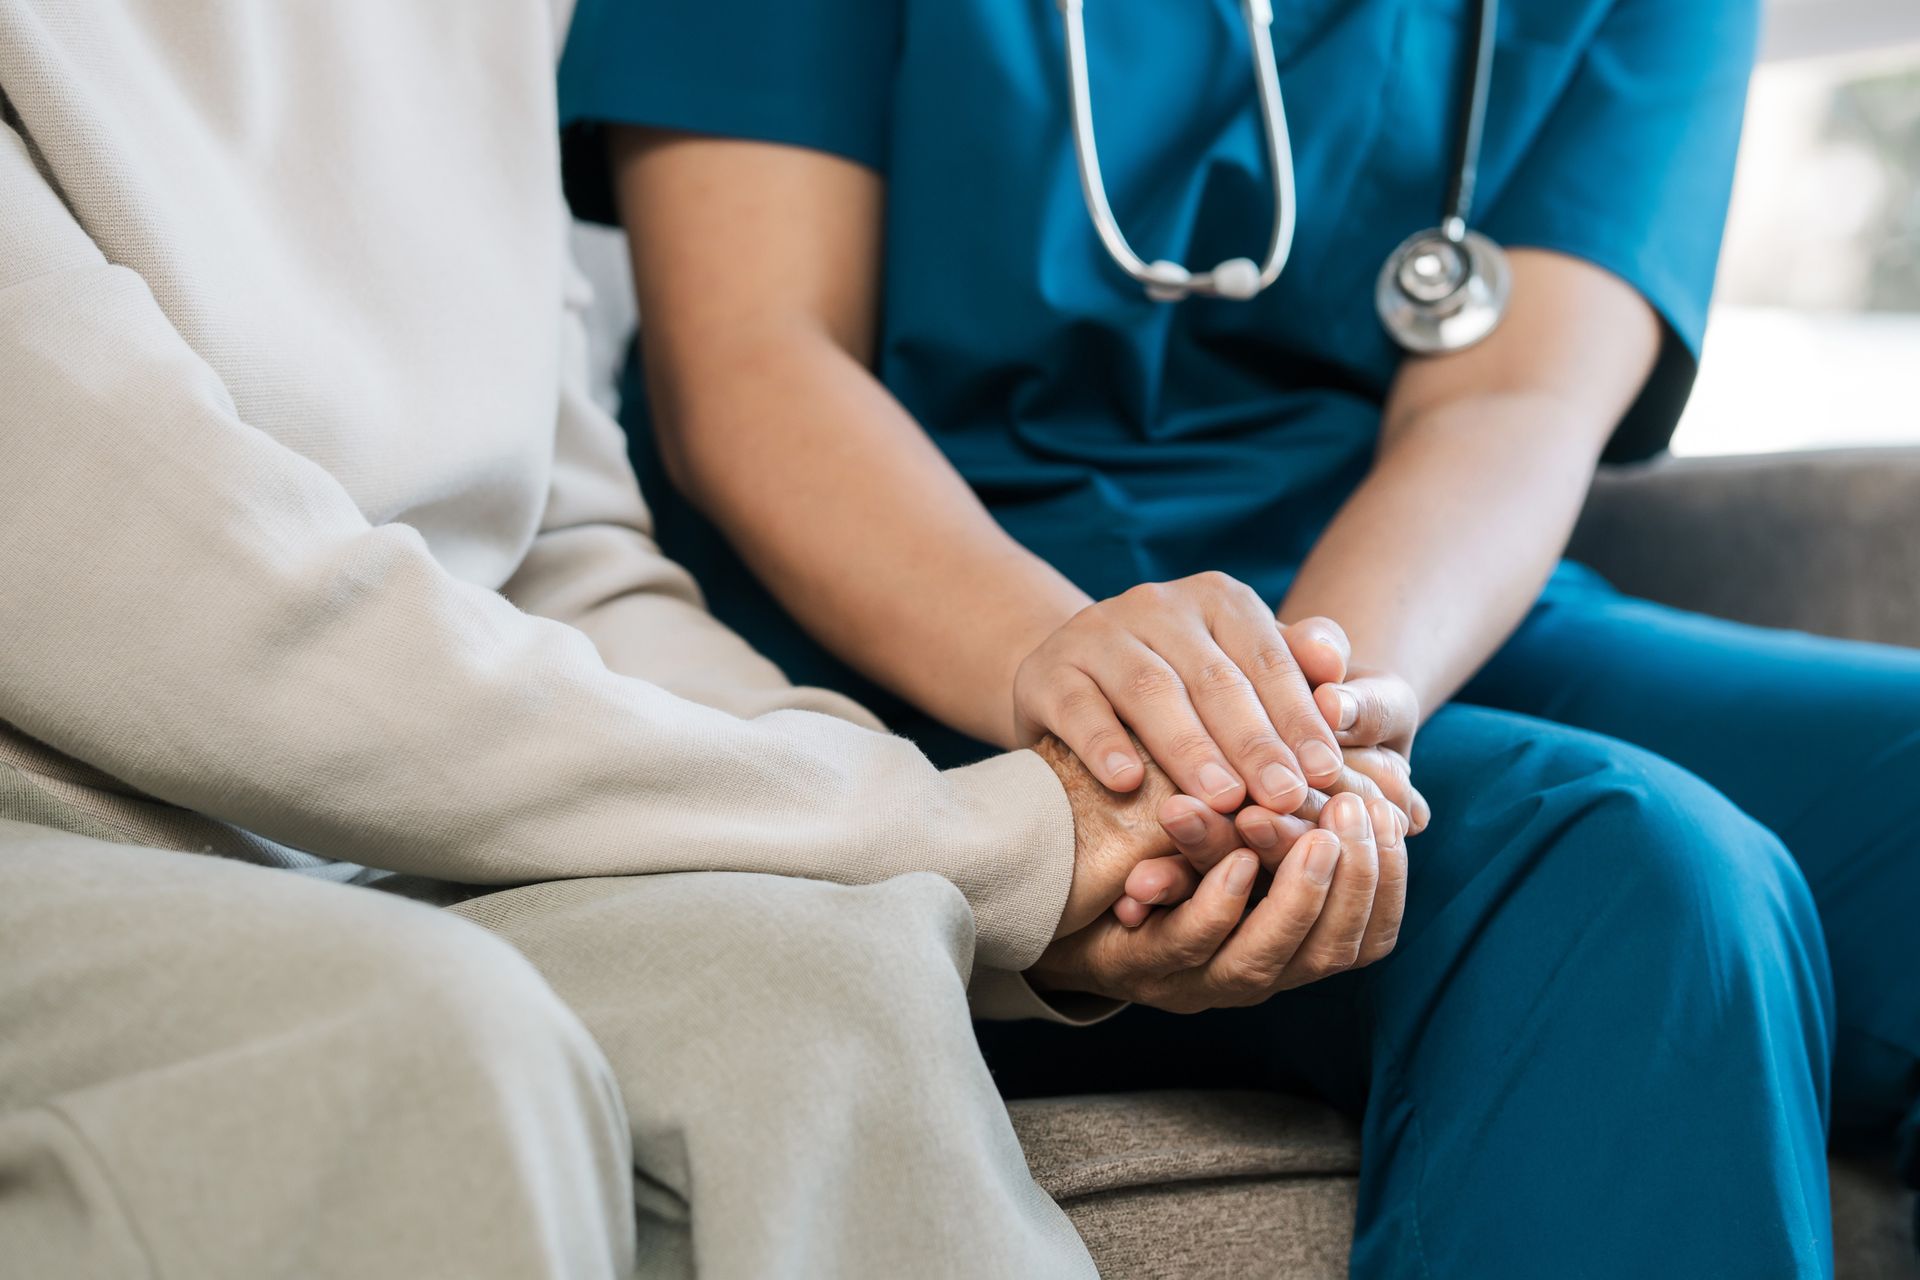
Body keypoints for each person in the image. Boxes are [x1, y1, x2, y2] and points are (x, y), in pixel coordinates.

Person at [0, 2, 1388, 1276]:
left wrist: (1028, 887)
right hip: (62, 852)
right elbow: (239, 627)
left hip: (369, 834)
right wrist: (995, 838)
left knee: (814, 972)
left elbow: (563, 561)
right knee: (416, 1036)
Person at [562, 0, 1920, 1272]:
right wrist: (1097, 675)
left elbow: (1508, 406)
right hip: (914, 623)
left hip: (1410, 609)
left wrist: (1313, 700)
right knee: (1622, 865)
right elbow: (751, 355)